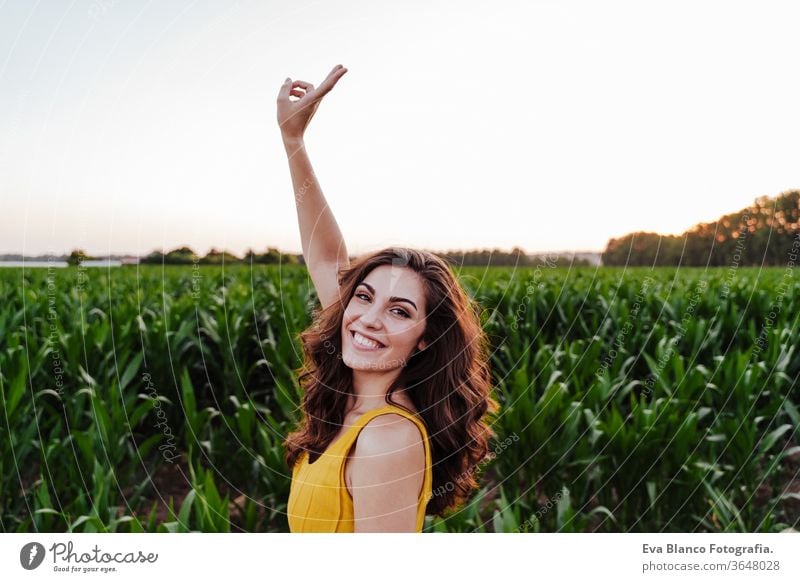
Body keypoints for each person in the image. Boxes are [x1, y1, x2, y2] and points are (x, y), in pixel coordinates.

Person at [277, 65, 499, 532]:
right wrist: (293, 141)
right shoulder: (357, 412)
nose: (368, 320)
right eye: (364, 297)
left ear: (424, 339)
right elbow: (324, 257)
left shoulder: (386, 438)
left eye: (400, 311)